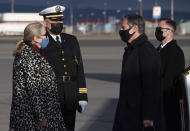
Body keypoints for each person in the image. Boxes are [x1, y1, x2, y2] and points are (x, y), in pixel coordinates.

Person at [10, 22, 67, 130]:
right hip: (33, 116)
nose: (47, 37)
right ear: (35, 38)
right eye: (45, 35)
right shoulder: (29, 57)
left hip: (43, 111)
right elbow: (33, 90)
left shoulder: (36, 53)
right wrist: (41, 117)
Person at [39, 5, 88, 131]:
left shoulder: (71, 40)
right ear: (45, 23)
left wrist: (82, 96)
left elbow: (79, 69)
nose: (58, 23)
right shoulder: (41, 41)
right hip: (51, 96)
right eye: (54, 21)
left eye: (60, 20)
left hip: (71, 95)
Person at [112, 14, 165, 131]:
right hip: (128, 112)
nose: (121, 30)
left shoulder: (146, 51)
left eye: (123, 27)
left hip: (139, 116)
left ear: (134, 28)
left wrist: (148, 117)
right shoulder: (131, 50)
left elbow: (152, 87)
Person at [155, 18, 185, 131]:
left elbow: (169, 81)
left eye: (160, 29)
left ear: (169, 31)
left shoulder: (175, 51)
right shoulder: (159, 49)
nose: (157, 31)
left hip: (167, 102)